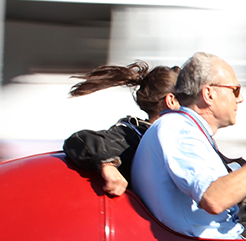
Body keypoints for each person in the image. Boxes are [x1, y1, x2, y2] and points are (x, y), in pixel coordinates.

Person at [131, 51, 246, 239]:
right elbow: (214, 199)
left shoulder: (188, 130)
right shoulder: (179, 129)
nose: (240, 99)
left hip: (216, 239)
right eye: (235, 90)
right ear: (208, 93)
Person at [62, 62, 179, 197]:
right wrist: (107, 165)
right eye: (189, 99)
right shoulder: (134, 136)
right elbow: (80, 140)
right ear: (171, 101)